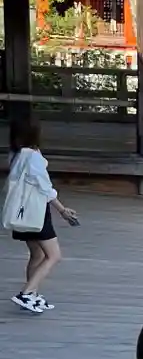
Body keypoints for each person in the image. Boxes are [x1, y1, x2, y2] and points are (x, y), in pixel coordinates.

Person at [5, 123, 78, 313]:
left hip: (22, 213)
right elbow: (45, 188)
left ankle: (33, 295)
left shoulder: (15, 155)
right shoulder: (33, 157)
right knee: (54, 255)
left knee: (36, 254)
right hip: (36, 213)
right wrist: (62, 210)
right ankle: (27, 293)